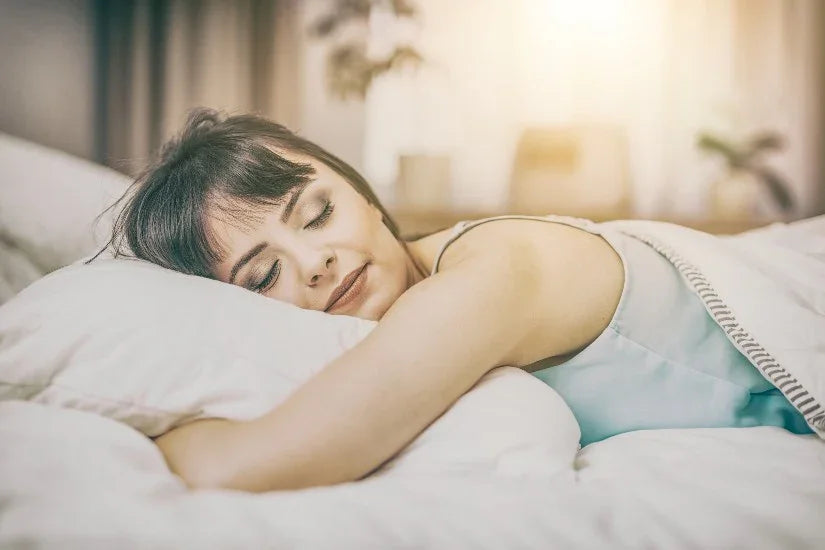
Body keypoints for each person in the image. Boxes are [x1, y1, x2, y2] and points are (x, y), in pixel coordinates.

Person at [106, 108, 812, 492]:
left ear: (363, 194)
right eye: (264, 276)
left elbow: (252, 465)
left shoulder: (487, 279)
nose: (315, 260)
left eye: (317, 213)